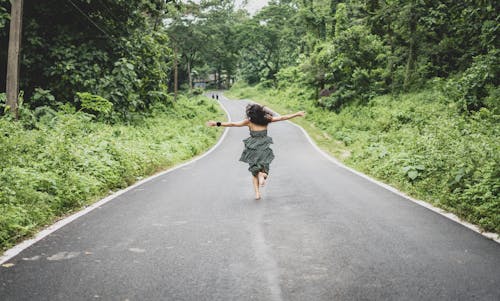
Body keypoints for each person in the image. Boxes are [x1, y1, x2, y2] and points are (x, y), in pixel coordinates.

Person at [207, 103, 305, 200]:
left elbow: (233, 124)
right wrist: (297, 114)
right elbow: (282, 117)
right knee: (265, 169)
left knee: (254, 173)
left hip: (252, 147)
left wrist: (216, 123)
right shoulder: (267, 119)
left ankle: (257, 193)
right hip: (264, 146)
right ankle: (262, 175)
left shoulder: (248, 122)